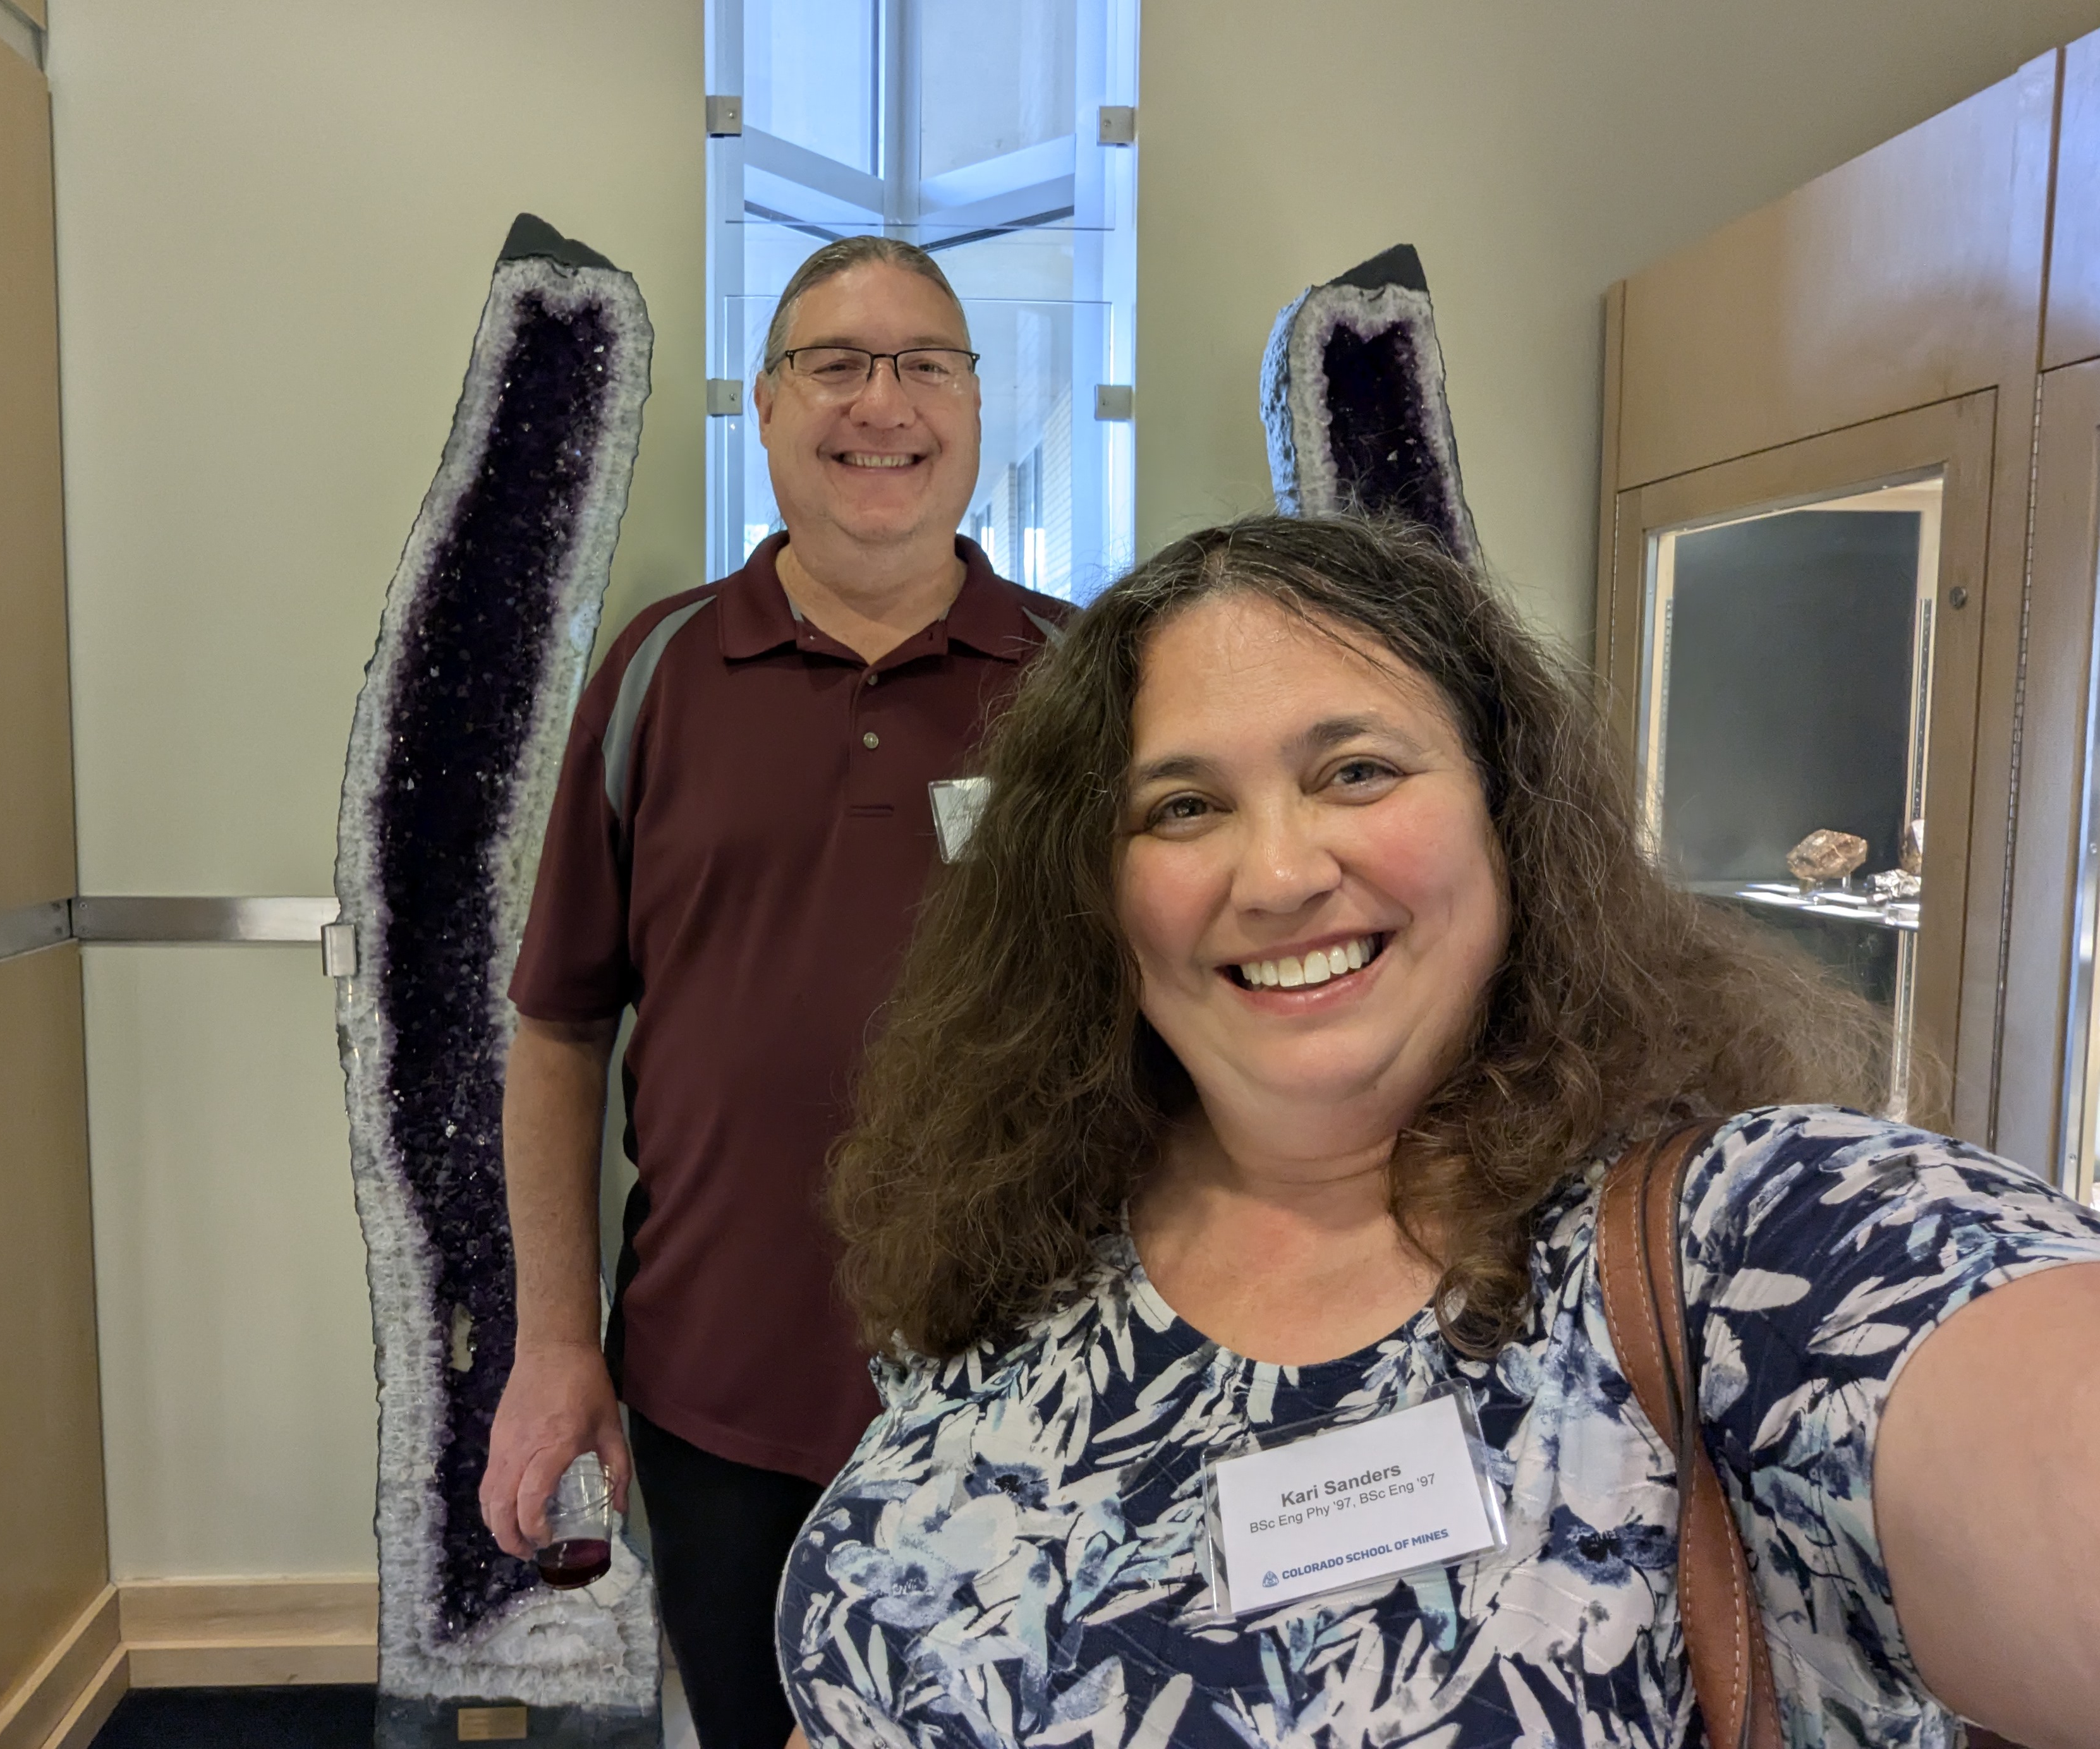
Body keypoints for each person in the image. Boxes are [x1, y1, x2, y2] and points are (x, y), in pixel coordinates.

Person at [781, 514, 2100, 1748]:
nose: (1283, 874)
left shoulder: (1744, 1242)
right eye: (1183, 807)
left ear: (1507, 818)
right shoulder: (1028, 1225)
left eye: (1356, 771)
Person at [483, 236, 1068, 1746]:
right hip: (722, 1385)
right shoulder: (661, 672)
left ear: (976, 408)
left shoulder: (1090, 685)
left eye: (927, 363)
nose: (885, 403)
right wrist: (558, 1342)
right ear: (766, 404)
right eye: (837, 363)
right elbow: (558, 1025)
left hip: (1031, 1375)